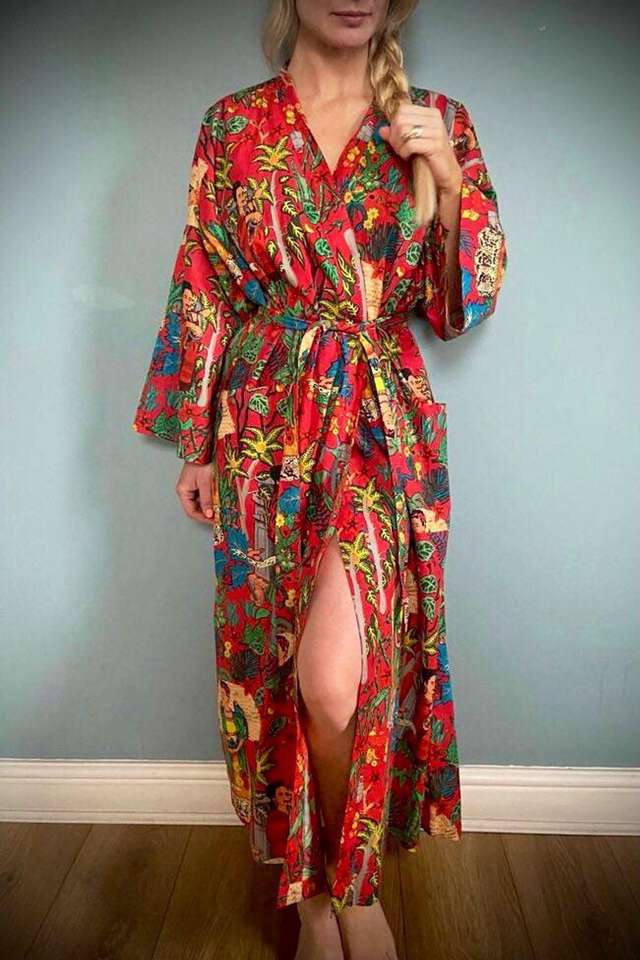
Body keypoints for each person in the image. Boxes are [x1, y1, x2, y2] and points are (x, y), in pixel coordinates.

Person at [132, 1, 507, 956]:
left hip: (379, 421)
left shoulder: (437, 122)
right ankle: (308, 893)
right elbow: (204, 283)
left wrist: (450, 183)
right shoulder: (233, 125)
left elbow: (458, 307)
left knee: (338, 682)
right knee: (272, 669)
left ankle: (351, 889)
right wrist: (198, 443)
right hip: (266, 423)